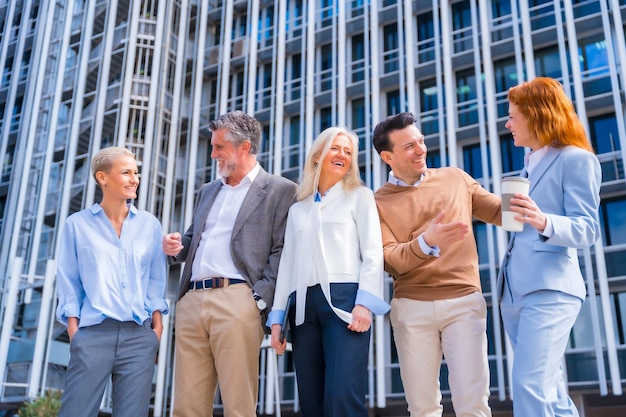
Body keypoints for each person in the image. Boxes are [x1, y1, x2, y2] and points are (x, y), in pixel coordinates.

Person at [162, 110, 297, 417]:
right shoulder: (208, 190)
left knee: (238, 405)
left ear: (244, 148)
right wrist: (176, 246)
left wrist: (257, 300)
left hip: (238, 300)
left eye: (219, 147)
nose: (213, 154)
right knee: (186, 406)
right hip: (191, 301)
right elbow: (193, 238)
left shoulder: (280, 190)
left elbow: (282, 251)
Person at [372, 112, 501, 417]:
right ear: (388, 156)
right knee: (423, 408)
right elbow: (390, 260)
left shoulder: (455, 178)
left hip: (463, 301)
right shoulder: (376, 201)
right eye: (409, 146)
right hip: (412, 308)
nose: (420, 150)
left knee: (474, 403)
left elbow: (500, 212)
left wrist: (529, 189)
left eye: (421, 141)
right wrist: (427, 241)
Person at [498, 77, 601, 416]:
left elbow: (587, 229)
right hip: (514, 294)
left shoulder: (576, 159)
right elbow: (517, 230)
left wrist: (544, 221)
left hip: (550, 290)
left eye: (513, 115)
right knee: (550, 392)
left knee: (531, 386)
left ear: (536, 114)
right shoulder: (526, 166)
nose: (507, 123)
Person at [269, 127, 390, 417]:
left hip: (345, 301)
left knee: (342, 398)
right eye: (336, 148)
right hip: (302, 310)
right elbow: (287, 265)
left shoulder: (360, 196)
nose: (342, 156)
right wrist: (277, 319)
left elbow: (373, 252)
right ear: (317, 156)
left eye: (348, 152)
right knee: (311, 402)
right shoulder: (298, 209)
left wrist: (364, 303)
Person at [55, 146, 168, 417]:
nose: (134, 179)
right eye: (126, 172)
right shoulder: (77, 225)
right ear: (102, 178)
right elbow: (69, 281)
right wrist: (75, 331)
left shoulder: (149, 225)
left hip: (139, 336)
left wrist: (156, 327)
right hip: (93, 334)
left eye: (136, 173)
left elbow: (155, 277)